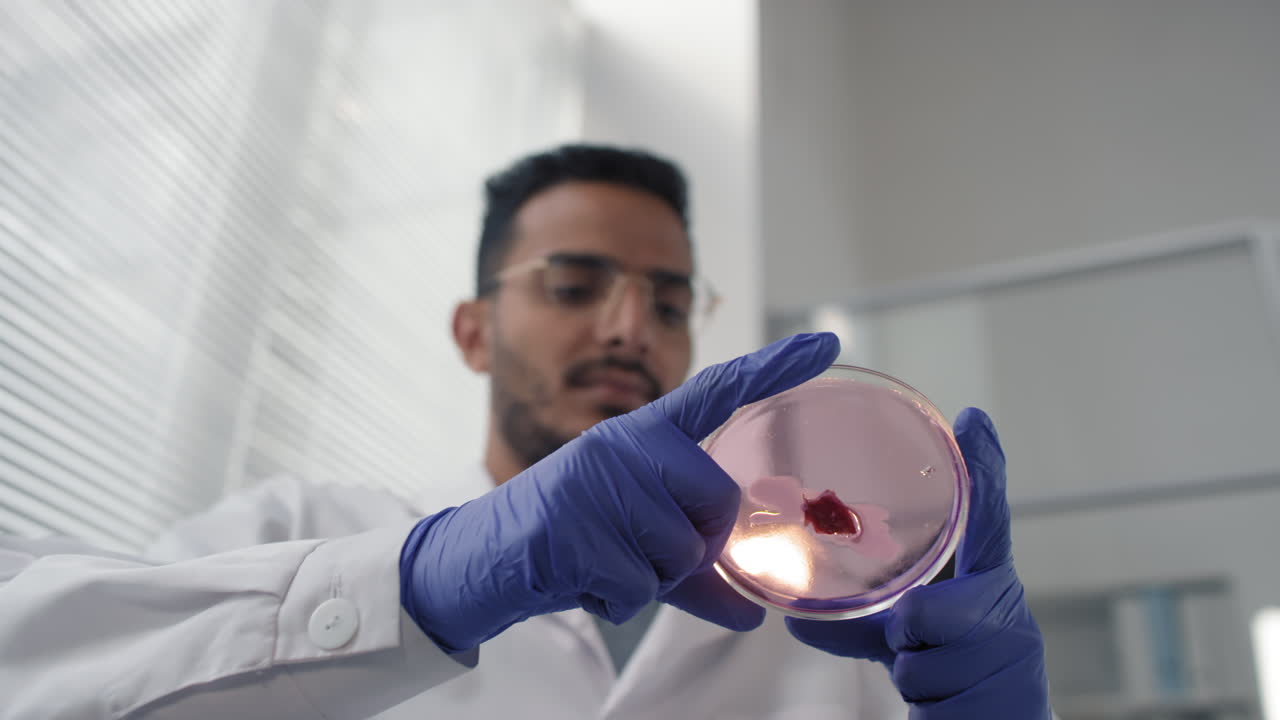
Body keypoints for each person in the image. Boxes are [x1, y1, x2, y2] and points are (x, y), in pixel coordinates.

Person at [0, 145, 1050, 719]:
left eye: (669, 303)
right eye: (574, 285)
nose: (630, 329)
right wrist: (418, 589)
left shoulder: (830, 630)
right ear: (472, 331)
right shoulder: (292, 529)